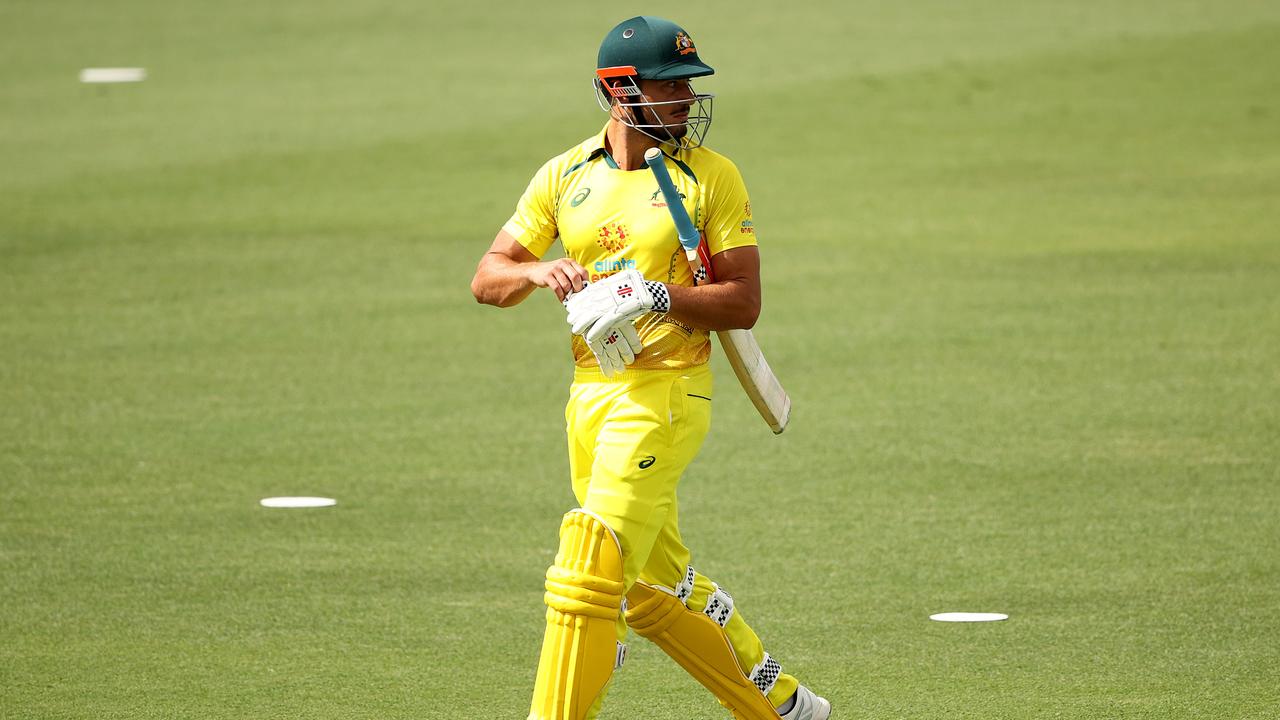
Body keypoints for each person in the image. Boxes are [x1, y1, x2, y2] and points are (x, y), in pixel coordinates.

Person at [470, 16, 831, 720]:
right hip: (590, 397)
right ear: (618, 92)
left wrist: (658, 294)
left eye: (688, 88)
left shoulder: (710, 178)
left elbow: (743, 301)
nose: (686, 102)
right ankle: (785, 708)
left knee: (588, 568)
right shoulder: (564, 175)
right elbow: (488, 277)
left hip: (666, 398)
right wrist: (542, 272)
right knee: (648, 590)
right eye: (670, 88)